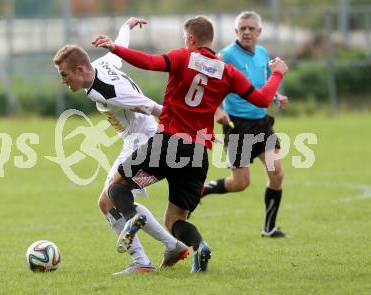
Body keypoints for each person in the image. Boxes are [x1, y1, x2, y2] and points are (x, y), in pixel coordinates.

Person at [92, 15, 288, 272]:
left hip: (168, 144)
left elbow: (149, 63)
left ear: (192, 39)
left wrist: (116, 48)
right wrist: (277, 74)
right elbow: (262, 99)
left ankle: (133, 216)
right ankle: (199, 245)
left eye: (186, 39)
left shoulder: (183, 57)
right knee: (175, 219)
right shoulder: (228, 72)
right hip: (197, 154)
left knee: (117, 186)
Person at [53, 17, 189, 275]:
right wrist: (126, 27)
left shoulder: (106, 91)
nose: (63, 80)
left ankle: (144, 261)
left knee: (110, 199)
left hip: (143, 140)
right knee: (111, 200)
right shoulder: (102, 63)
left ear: (80, 69)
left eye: (64, 74)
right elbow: (118, 47)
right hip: (140, 138)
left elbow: (149, 106)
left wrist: (187, 125)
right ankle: (169, 247)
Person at [203, 11, 289, 238]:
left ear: (259, 31)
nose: (247, 32)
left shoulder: (262, 53)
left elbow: (260, 84)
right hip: (237, 126)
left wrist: (275, 96)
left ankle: (269, 228)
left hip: (261, 123)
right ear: (236, 32)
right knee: (240, 183)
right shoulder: (226, 55)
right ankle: (201, 190)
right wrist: (217, 109)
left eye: (251, 28)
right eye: (243, 28)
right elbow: (209, 85)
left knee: (277, 174)